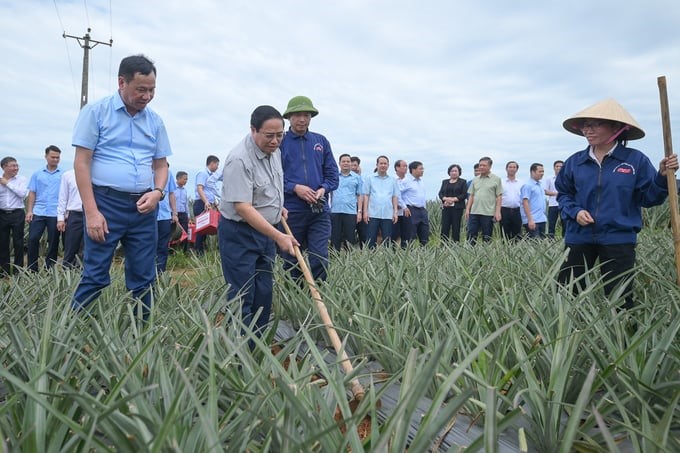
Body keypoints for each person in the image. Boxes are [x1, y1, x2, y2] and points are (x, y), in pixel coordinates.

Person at [71, 54, 171, 320]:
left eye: (151, 90)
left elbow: (161, 165)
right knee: (95, 274)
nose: (147, 96)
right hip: (106, 204)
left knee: (144, 276)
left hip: (143, 207)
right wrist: (92, 212)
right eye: (141, 89)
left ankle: (141, 333)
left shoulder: (155, 122)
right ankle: (73, 331)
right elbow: (82, 163)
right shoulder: (96, 112)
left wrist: (158, 192)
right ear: (121, 82)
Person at [556, 98, 678, 310]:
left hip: (618, 238)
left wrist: (661, 177)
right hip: (579, 236)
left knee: (620, 297)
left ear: (616, 128)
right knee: (567, 292)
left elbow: (648, 198)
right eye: (585, 124)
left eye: (595, 124)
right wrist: (575, 212)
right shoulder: (575, 162)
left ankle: (621, 336)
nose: (588, 129)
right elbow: (564, 194)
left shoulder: (635, 161)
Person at [218, 105, 297, 336]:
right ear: (253, 130)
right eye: (269, 136)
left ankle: (258, 345)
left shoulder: (276, 152)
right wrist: (279, 236)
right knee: (243, 293)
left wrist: (277, 206)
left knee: (264, 291)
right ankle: (240, 351)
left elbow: (268, 186)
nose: (275, 141)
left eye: (279, 135)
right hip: (239, 233)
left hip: (266, 231)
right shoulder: (239, 160)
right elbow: (242, 206)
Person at [279, 96, 338, 281]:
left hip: (318, 211)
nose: (302, 119)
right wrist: (294, 188)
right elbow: (272, 177)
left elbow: (333, 175)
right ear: (289, 117)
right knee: (291, 259)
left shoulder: (321, 141)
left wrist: (323, 189)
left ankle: (320, 294)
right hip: (291, 211)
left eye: (306, 115)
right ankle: (294, 298)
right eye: (297, 115)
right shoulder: (280, 142)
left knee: (319, 257)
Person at [26, 145, 63, 271]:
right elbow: (32, 193)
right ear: (46, 157)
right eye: (52, 157)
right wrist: (30, 211)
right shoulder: (37, 174)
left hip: (55, 213)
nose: (55, 159)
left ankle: (50, 269)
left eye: (57, 157)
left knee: (53, 242)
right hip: (39, 211)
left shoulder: (63, 174)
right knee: (32, 239)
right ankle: (32, 268)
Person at [362, 155, 398, 248]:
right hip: (372, 214)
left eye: (385, 163)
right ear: (377, 165)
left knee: (388, 239)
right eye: (381, 163)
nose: (383, 165)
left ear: (388, 165)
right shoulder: (370, 178)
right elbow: (366, 195)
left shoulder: (393, 180)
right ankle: (370, 260)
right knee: (370, 239)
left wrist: (395, 212)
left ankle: (387, 261)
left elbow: (394, 196)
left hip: (387, 214)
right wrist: (365, 212)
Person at [0, 157, 28, 276]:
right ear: (4, 167)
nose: (16, 168)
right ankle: (4, 271)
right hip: (2, 214)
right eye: (12, 166)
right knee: (3, 243)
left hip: (17, 213)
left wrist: (7, 184)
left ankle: (18, 270)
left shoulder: (21, 179)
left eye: (17, 165)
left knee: (18, 242)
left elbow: (22, 194)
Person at [465, 157, 502, 244]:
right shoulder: (475, 179)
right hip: (474, 212)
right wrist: (467, 209)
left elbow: (499, 197)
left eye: (484, 165)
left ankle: (486, 254)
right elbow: (471, 195)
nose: (481, 167)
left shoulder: (496, 179)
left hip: (488, 213)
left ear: (490, 166)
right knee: (471, 235)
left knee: (487, 236)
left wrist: (498, 212)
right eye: (480, 165)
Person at [330, 153, 362, 250]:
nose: (346, 163)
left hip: (350, 212)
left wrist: (359, 211)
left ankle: (349, 262)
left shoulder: (357, 177)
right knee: (335, 238)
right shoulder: (334, 177)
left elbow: (360, 195)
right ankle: (335, 260)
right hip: (335, 211)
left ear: (350, 163)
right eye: (343, 161)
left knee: (350, 239)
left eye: (348, 161)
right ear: (339, 163)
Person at [193, 155, 222, 254]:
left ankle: (202, 252)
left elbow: (211, 192)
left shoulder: (211, 177)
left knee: (208, 229)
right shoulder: (203, 173)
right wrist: (206, 201)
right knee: (201, 230)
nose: (218, 168)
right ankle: (198, 253)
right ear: (212, 163)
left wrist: (215, 204)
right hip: (201, 203)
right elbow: (199, 188)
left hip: (209, 204)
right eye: (217, 165)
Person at [56, 168, 84, 268]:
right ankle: (67, 278)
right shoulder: (68, 175)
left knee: (86, 251)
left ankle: (83, 277)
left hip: (92, 215)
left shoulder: (96, 174)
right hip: (75, 215)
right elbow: (63, 197)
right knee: (71, 249)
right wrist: (60, 218)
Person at [401, 161, 430, 245]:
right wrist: (404, 207)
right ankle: (407, 255)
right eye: (420, 169)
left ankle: (424, 254)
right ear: (413, 170)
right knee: (409, 235)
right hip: (411, 210)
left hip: (422, 210)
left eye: (422, 168)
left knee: (424, 233)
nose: (422, 170)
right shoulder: (406, 181)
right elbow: (397, 195)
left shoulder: (421, 181)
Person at [156, 164, 177, 273]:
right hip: (146, 215)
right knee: (147, 246)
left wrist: (174, 213)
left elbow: (171, 193)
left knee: (163, 247)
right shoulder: (144, 170)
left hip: (164, 215)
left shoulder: (168, 173)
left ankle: (160, 274)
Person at [438, 164, 467, 243]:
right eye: (452, 171)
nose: (454, 173)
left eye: (455, 171)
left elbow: (464, 194)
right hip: (446, 207)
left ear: (459, 172)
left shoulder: (463, 182)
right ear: (449, 172)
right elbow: (440, 194)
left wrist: (453, 199)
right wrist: (446, 199)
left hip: (457, 208)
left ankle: (456, 244)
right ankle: (443, 245)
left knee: (456, 227)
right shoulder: (445, 182)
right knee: (445, 227)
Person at [520, 163, 547, 238]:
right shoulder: (527, 186)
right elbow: (525, 203)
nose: (542, 174)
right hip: (533, 220)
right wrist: (530, 220)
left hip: (541, 219)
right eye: (540, 171)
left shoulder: (540, 185)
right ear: (532, 172)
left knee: (542, 245)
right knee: (534, 245)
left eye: (543, 171)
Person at [391, 159, 413, 248]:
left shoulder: (409, 180)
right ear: (397, 168)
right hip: (395, 211)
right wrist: (400, 205)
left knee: (406, 234)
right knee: (394, 234)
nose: (405, 168)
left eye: (406, 166)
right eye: (403, 166)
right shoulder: (392, 180)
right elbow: (395, 194)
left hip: (407, 211)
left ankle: (405, 253)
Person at [499, 161, 523, 241]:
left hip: (517, 211)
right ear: (506, 169)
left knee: (517, 234)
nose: (512, 169)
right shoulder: (501, 182)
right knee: (505, 234)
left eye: (514, 167)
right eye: (510, 167)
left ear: (517, 169)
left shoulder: (521, 183)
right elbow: (498, 197)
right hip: (504, 210)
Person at [543, 160, 564, 239]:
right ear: (554, 168)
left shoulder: (567, 178)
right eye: (557, 166)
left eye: (560, 166)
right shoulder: (549, 179)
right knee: (551, 224)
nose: (558, 168)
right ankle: (550, 241)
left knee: (565, 223)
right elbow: (545, 191)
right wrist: (556, 194)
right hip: (553, 204)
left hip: (564, 204)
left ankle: (564, 241)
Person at [350, 156, 367, 246]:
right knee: (349, 232)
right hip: (350, 207)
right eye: (351, 165)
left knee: (363, 232)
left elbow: (365, 194)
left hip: (362, 207)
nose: (353, 167)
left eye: (355, 165)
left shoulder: (364, 179)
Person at [174, 170, 190, 253]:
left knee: (185, 233)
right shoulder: (172, 189)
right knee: (174, 233)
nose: (186, 181)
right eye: (185, 179)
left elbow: (186, 203)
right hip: (174, 214)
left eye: (186, 179)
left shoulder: (185, 191)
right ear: (178, 178)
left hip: (183, 214)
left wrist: (188, 215)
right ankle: (172, 251)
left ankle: (184, 251)